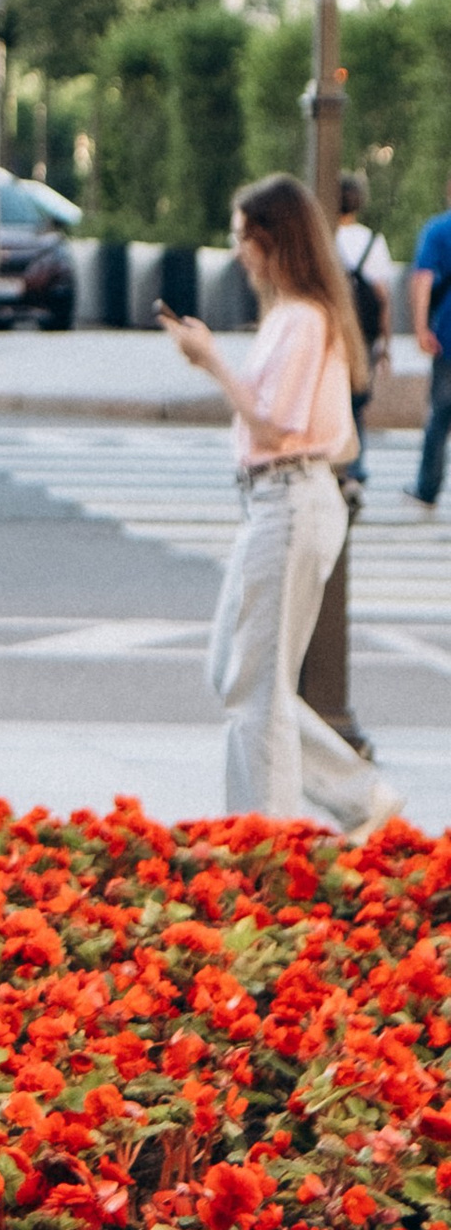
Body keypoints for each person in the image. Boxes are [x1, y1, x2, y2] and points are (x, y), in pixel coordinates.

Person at [160, 173, 401, 831]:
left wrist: (210, 360)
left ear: (273, 240)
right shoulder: (305, 316)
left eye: (243, 237)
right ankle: (358, 797)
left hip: (289, 499)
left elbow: (272, 424)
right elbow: (335, 433)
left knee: (255, 685)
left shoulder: (300, 318)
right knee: (233, 671)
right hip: (287, 499)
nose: (238, 250)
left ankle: (264, 838)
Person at [333, 173, 392, 489]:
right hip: (365, 332)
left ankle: (335, 459)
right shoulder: (373, 241)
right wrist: (386, 342)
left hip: (334, 329)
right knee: (357, 399)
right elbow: (383, 297)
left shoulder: (325, 238)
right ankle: (356, 464)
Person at [403, 168, 451, 508]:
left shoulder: (438, 230)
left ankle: (428, 486)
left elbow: (422, 279)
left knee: (440, 414)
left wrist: (421, 327)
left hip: (448, 334)